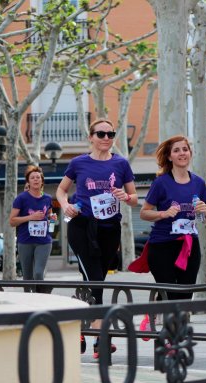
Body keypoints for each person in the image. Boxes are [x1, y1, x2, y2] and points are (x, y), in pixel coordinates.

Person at [56, 118, 138, 359]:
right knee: (95, 279)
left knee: (95, 279)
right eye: (100, 134)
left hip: (110, 228)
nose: (106, 138)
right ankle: (101, 338)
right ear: (90, 137)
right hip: (82, 227)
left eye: (110, 134)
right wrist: (65, 205)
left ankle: (81, 326)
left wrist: (126, 195)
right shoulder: (78, 163)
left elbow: (135, 198)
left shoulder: (121, 164)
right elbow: (61, 190)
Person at [140, 135, 206, 300]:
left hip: (189, 246)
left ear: (190, 153)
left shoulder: (199, 183)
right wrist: (162, 214)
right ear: (169, 156)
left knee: (185, 296)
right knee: (171, 295)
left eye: (185, 149)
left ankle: (174, 321)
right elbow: (144, 212)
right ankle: (164, 313)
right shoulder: (161, 183)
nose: (182, 153)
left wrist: (204, 212)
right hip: (162, 246)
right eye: (176, 150)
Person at [9, 166, 55, 291]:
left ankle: (41, 299)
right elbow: (12, 221)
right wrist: (31, 217)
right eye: (32, 178)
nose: (35, 180)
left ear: (42, 181)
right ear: (28, 182)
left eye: (38, 177)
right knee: (28, 277)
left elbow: (50, 216)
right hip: (25, 241)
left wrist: (52, 218)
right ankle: (29, 302)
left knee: (38, 274)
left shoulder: (48, 198)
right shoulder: (21, 198)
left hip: (44, 241)